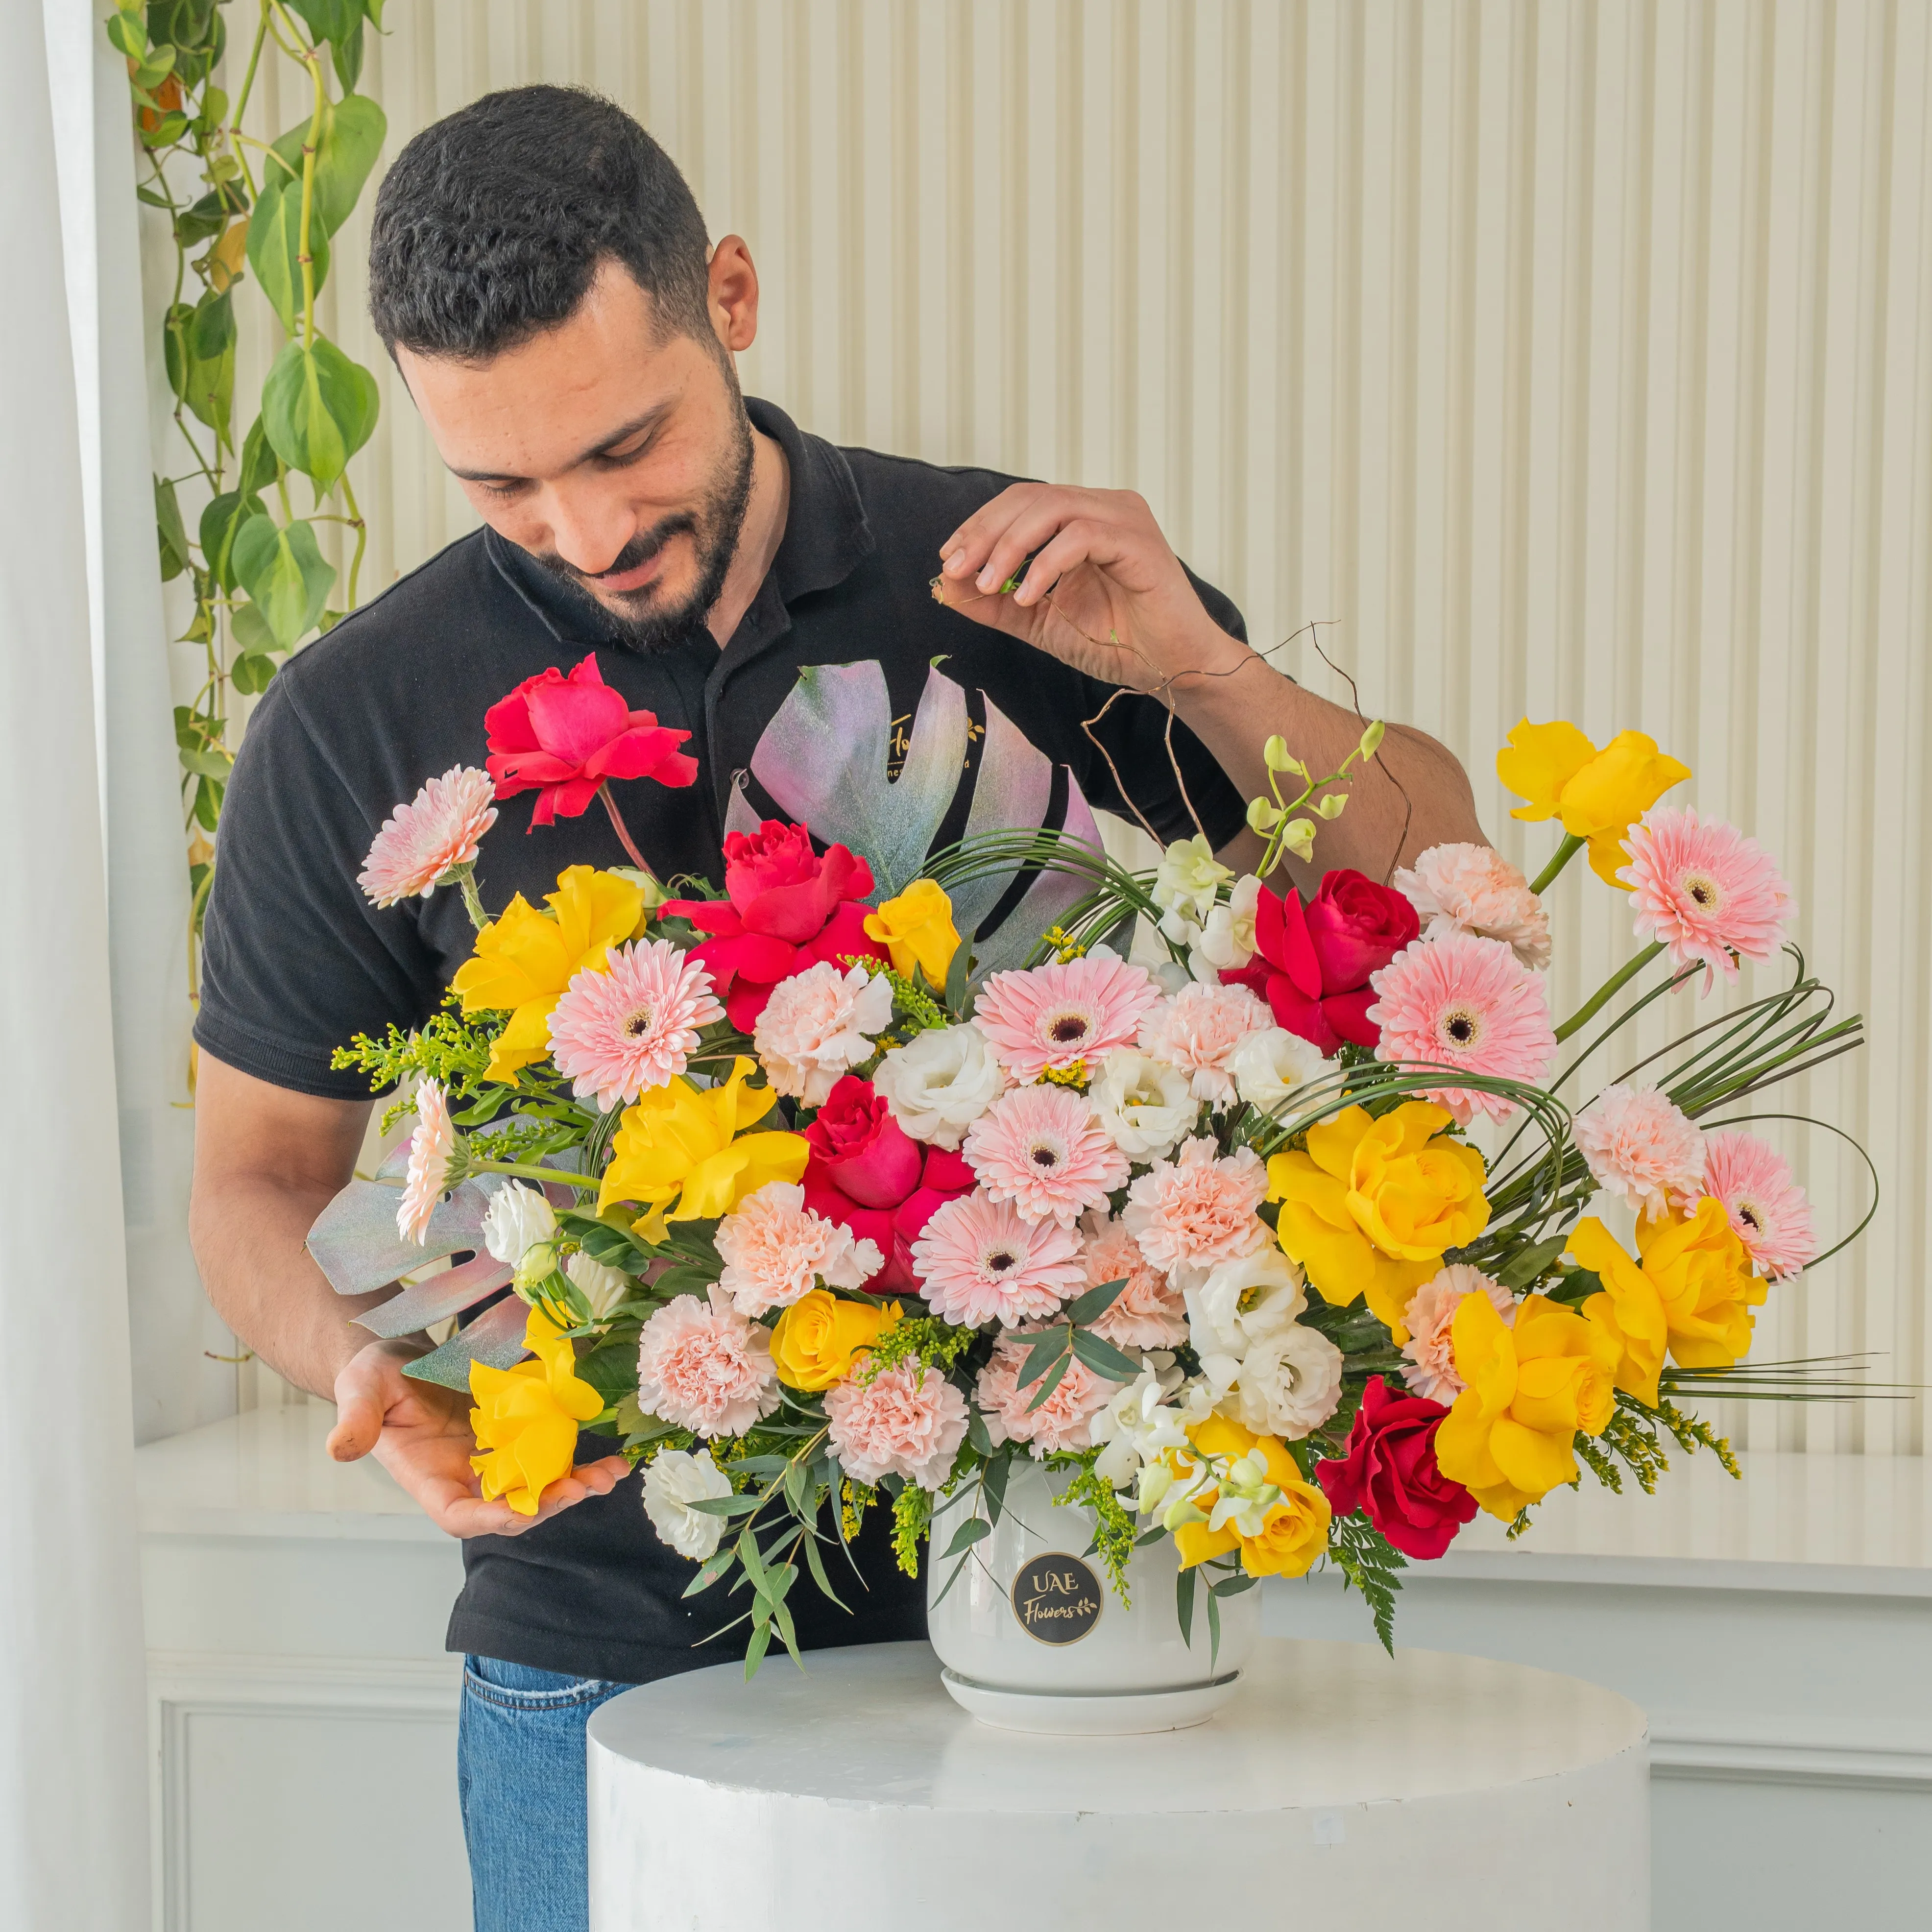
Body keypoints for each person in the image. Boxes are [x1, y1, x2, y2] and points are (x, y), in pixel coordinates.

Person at [188, 85, 1483, 1932]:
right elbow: (249, 1179)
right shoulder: (352, 717)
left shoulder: (1010, 578)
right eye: (502, 486)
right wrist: (357, 1365)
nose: (583, 530)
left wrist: (1206, 670)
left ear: (730, 296)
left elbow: (1434, 884)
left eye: (626, 445)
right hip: (591, 1659)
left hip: (1058, 1619)